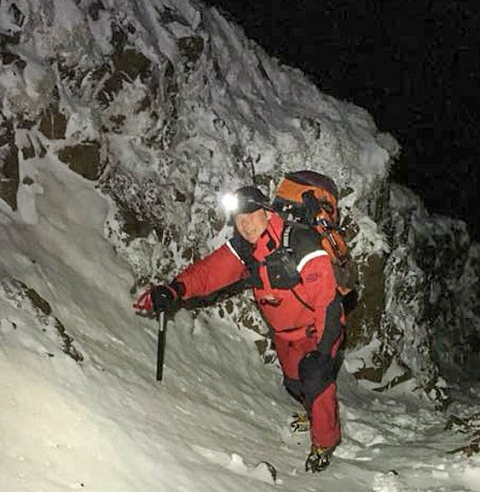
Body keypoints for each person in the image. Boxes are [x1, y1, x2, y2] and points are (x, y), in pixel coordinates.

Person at [133, 185, 344, 472]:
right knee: (295, 384)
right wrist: (175, 289)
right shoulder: (246, 248)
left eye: (251, 215)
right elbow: (211, 272)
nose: (245, 224)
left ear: (267, 212)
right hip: (284, 335)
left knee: (316, 378)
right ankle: (312, 412)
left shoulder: (300, 242)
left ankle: (324, 443)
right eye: (239, 219)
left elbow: (327, 302)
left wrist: (323, 350)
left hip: (317, 328)